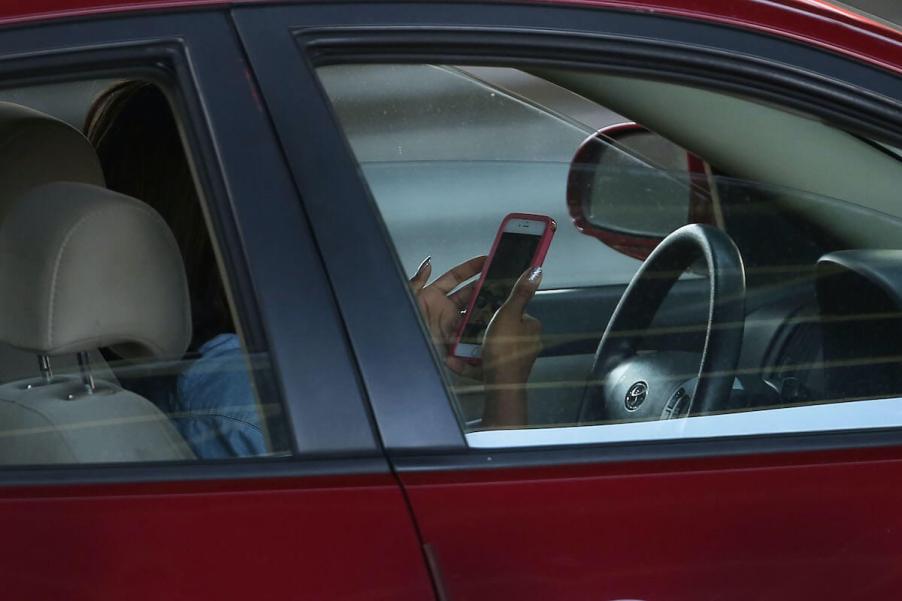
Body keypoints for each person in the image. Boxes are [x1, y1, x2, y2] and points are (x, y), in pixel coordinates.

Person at [85, 81, 541, 459]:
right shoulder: (249, 396)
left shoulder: (187, 369)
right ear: (231, 218)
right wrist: (507, 386)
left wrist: (389, 343)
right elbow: (453, 522)